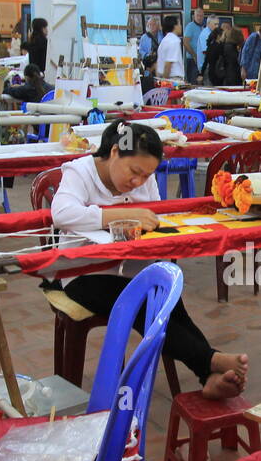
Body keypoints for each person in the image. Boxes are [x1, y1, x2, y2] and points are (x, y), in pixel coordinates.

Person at [48, 121, 250, 399]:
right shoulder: (81, 171)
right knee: (142, 301)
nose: (139, 182)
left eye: (146, 176)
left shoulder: (145, 177)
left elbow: (155, 216)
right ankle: (209, 361)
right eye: (134, 172)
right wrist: (118, 217)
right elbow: (62, 214)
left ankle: (208, 373)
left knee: (168, 301)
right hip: (84, 272)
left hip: (132, 268)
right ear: (116, 152)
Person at [157, 14, 185, 80]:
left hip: (162, 76)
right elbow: (168, 64)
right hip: (172, 79)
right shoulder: (174, 41)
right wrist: (165, 82)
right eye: (179, 24)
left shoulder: (164, 40)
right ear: (174, 26)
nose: (180, 26)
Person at [182, 8, 206, 83]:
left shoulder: (204, 27)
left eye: (201, 16)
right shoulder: (190, 26)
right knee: (193, 82)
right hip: (193, 60)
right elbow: (185, 42)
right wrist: (194, 55)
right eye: (197, 15)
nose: (199, 17)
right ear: (194, 16)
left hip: (202, 60)